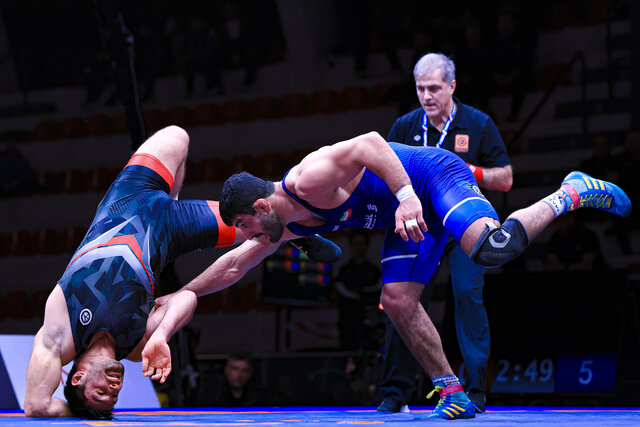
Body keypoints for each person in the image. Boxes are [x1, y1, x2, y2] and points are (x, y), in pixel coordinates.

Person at [159, 130, 631, 420]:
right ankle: (451, 390)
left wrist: (405, 196)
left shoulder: (308, 179)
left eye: (245, 225)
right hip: (408, 214)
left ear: (262, 206)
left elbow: (370, 142)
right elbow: (235, 264)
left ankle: (570, 192)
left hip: (430, 178)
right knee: (398, 300)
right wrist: (183, 292)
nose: (246, 235)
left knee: (492, 250)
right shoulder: (285, 226)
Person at [24, 126, 340, 419]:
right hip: (173, 230)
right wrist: (162, 335)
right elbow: (187, 298)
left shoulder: (62, 333)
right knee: (269, 223)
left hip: (129, 196)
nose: (114, 389)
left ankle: (177, 198)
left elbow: (36, 405)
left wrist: (78, 413)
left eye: (100, 393)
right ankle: (293, 233)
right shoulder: (136, 347)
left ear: (77, 378)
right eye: (114, 397)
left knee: (177, 136)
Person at [378, 52, 513, 414]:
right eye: (420, 88)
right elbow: (385, 172)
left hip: (463, 226)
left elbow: (506, 178)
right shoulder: (405, 125)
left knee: (467, 294)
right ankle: (395, 393)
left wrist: (466, 170)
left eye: (434, 88)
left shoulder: (478, 123)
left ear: (452, 86)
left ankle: (475, 390)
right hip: (421, 227)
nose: (426, 96)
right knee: (401, 301)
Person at [334, 229, 382, 351]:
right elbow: (341, 291)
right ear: (351, 245)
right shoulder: (345, 271)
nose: (358, 247)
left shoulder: (374, 270)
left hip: (370, 318)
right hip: (349, 319)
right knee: (349, 348)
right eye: (355, 243)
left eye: (361, 243)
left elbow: (378, 290)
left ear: (366, 245)